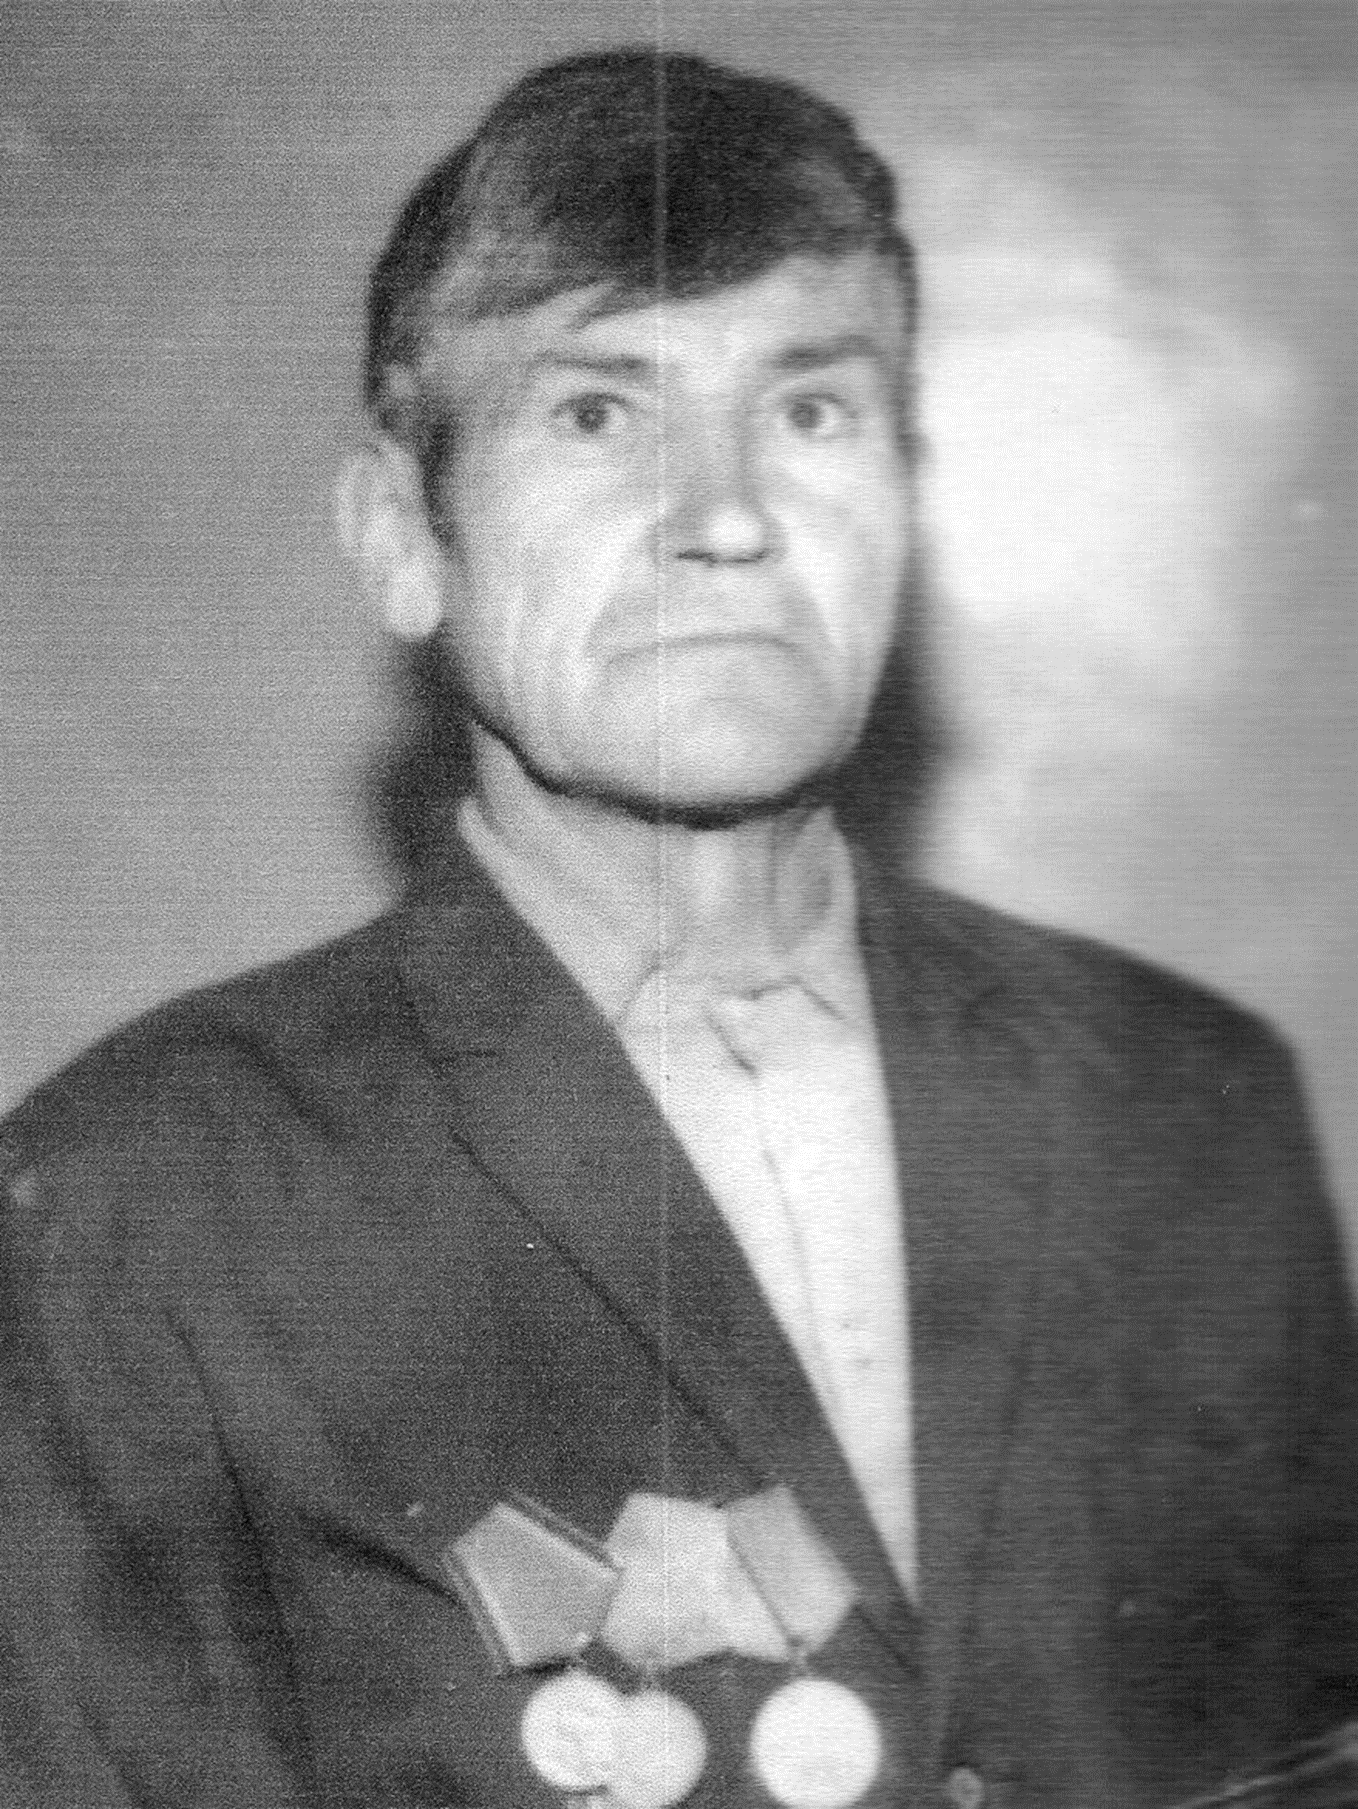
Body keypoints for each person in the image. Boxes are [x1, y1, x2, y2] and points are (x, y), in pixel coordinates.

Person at [1, 48, 1355, 1809]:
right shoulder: (140, 1202)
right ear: (403, 536)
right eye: (595, 414)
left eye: (811, 413)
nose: (724, 517)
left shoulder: (1184, 1104)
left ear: (905, 502)